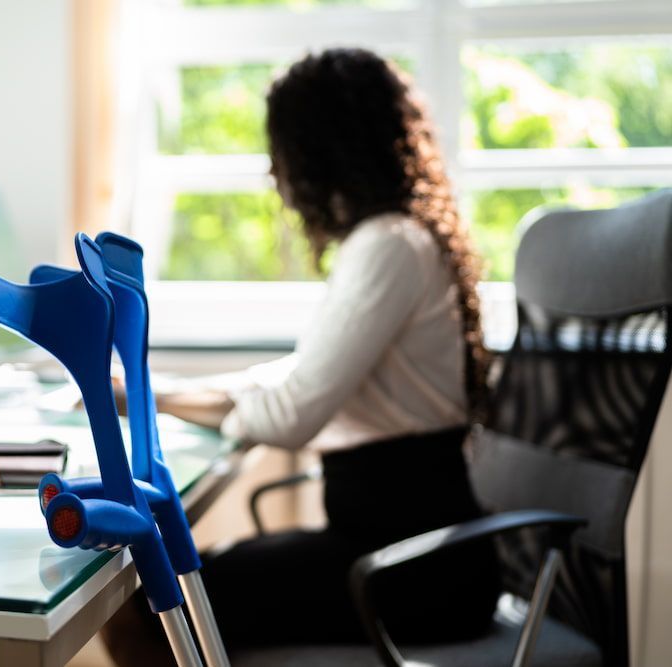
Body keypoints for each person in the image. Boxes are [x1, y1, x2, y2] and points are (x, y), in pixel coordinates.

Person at [103, 47, 500, 664]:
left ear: (321, 150)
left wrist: (159, 400)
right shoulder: (391, 241)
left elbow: (290, 416)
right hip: (398, 551)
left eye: (280, 151)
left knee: (149, 605)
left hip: (413, 568)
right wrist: (152, 394)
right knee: (173, 589)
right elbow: (293, 378)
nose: (273, 173)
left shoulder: (388, 247)